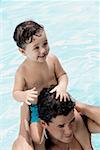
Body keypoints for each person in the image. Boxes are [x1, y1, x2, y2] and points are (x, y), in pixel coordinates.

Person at [12, 20, 91, 149]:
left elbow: (62, 75)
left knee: (76, 120)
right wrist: (24, 95)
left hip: (58, 101)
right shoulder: (22, 71)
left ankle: (88, 147)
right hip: (37, 107)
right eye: (36, 48)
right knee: (37, 138)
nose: (43, 50)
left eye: (45, 43)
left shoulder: (52, 59)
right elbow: (15, 93)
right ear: (22, 51)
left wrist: (61, 87)